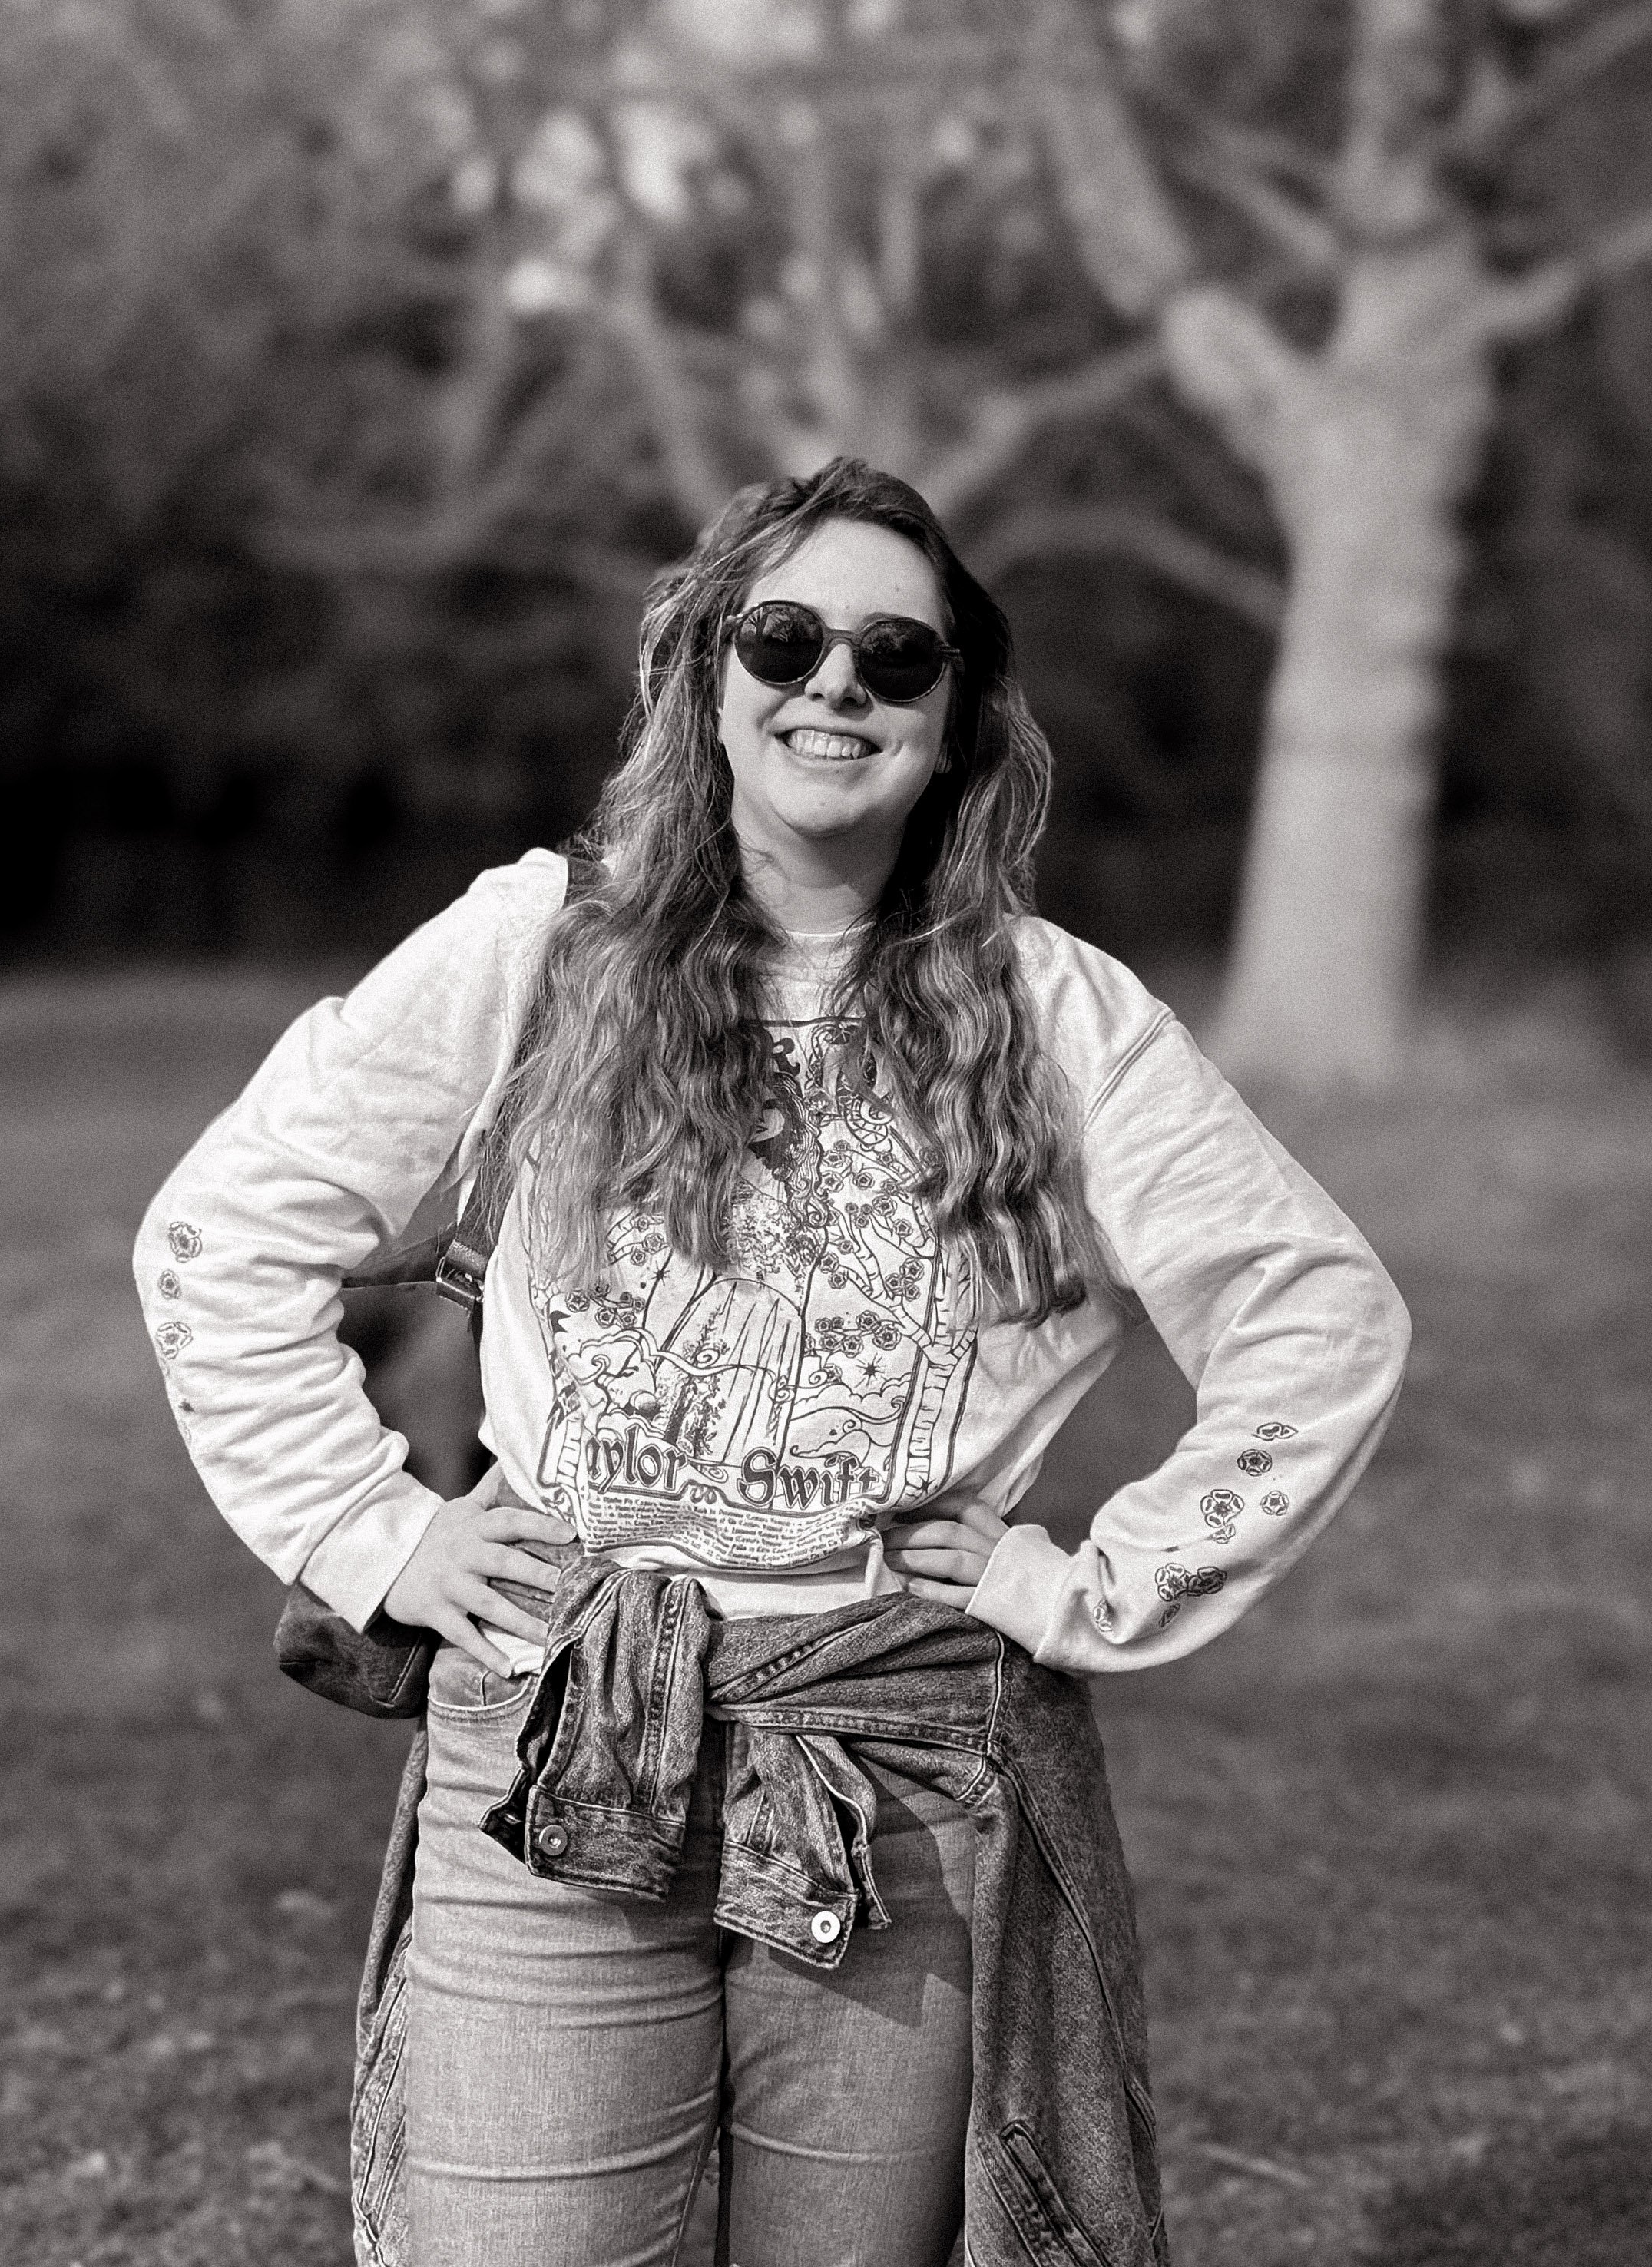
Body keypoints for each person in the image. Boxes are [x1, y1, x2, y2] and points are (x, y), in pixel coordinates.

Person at [134, 458, 1410, 2267]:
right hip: (559, 1742)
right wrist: (371, 1532)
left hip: (894, 1766)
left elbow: (1320, 1318)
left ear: (957, 719)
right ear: (704, 676)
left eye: (895, 655)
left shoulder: (1061, 1020)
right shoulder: (537, 950)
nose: (835, 686)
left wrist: (1091, 1585)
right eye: (785, 637)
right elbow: (221, 1232)